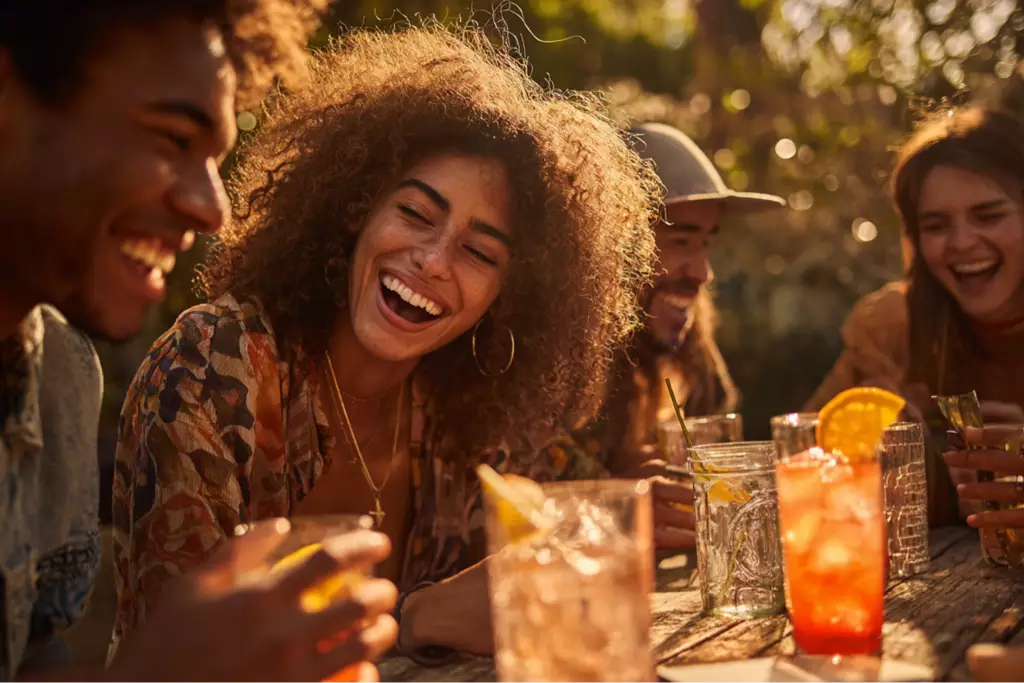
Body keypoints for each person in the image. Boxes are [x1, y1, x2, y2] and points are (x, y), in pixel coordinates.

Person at [111, 24, 659, 662]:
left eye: (479, 252)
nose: (433, 261)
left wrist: (645, 505)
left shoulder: (469, 411)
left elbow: (577, 527)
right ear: (355, 210)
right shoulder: (212, 365)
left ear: (506, 297)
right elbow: (185, 661)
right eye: (415, 214)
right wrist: (420, 615)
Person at [0, 2, 398, 682]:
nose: (214, 209)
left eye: (215, 159)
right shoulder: (212, 358)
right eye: (172, 139)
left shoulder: (59, 372)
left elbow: (33, 651)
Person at [547, 122, 784, 548]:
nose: (703, 273)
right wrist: (614, 499)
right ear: (611, 246)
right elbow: (509, 505)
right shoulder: (545, 362)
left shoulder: (691, 346)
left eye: (706, 244)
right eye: (680, 242)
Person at [806, 107, 1024, 531]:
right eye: (936, 225)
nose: (962, 242)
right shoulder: (890, 331)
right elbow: (801, 466)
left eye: (989, 216)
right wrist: (909, 471)